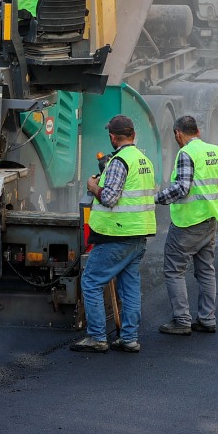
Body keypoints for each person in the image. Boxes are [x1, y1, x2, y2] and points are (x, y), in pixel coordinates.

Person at [71, 115, 158, 354]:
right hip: (138, 235)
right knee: (129, 287)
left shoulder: (120, 161)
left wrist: (93, 187)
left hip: (117, 235)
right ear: (133, 134)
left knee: (90, 281)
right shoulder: (144, 160)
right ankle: (129, 338)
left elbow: (109, 198)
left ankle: (97, 337)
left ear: (112, 137)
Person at [156, 115, 218, 335]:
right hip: (210, 219)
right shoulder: (213, 150)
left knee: (174, 270)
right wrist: (217, 194)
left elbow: (182, 188)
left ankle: (182, 321)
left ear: (178, 133)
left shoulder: (186, 153)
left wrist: (157, 199)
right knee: (205, 271)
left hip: (188, 222)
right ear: (198, 132)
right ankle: (207, 319)